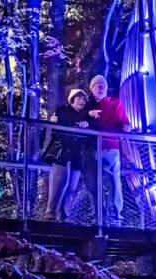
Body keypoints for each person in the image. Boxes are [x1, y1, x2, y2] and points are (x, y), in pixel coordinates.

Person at [83, 75, 131, 224]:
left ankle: (116, 216)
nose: (101, 87)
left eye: (103, 84)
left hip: (110, 147)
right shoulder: (86, 105)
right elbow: (76, 116)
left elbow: (125, 123)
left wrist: (127, 128)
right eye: (97, 85)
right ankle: (97, 215)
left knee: (114, 181)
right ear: (91, 88)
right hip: (91, 149)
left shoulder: (115, 103)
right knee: (93, 182)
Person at [43, 89, 89, 221]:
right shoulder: (63, 110)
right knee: (61, 181)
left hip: (76, 152)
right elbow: (65, 120)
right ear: (72, 99)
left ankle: (64, 216)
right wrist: (81, 123)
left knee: (72, 185)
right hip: (62, 150)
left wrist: (86, 123)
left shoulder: (84, 115)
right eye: (79, 97)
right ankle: (50, 215)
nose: (82, 101)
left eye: (84, 98)